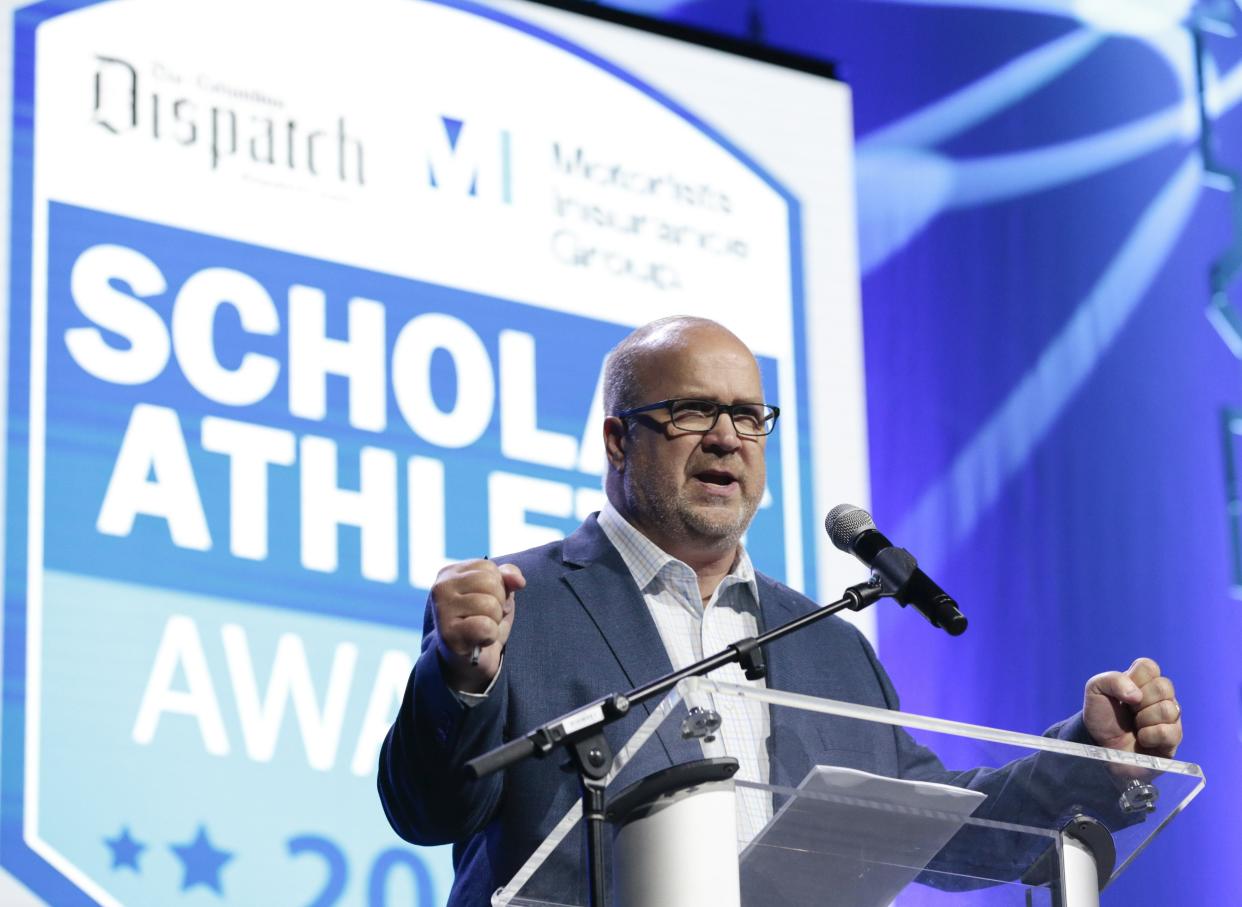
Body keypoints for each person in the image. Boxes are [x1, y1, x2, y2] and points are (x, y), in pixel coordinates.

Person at [378, 316, 1184, 905]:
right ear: (619, 440)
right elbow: (427, 809)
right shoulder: (519, 603)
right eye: (693, 411)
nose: (728, 438)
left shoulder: (830, 647)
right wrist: (461, 679)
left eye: (747, 416)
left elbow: (948, 831)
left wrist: (1091, 755)